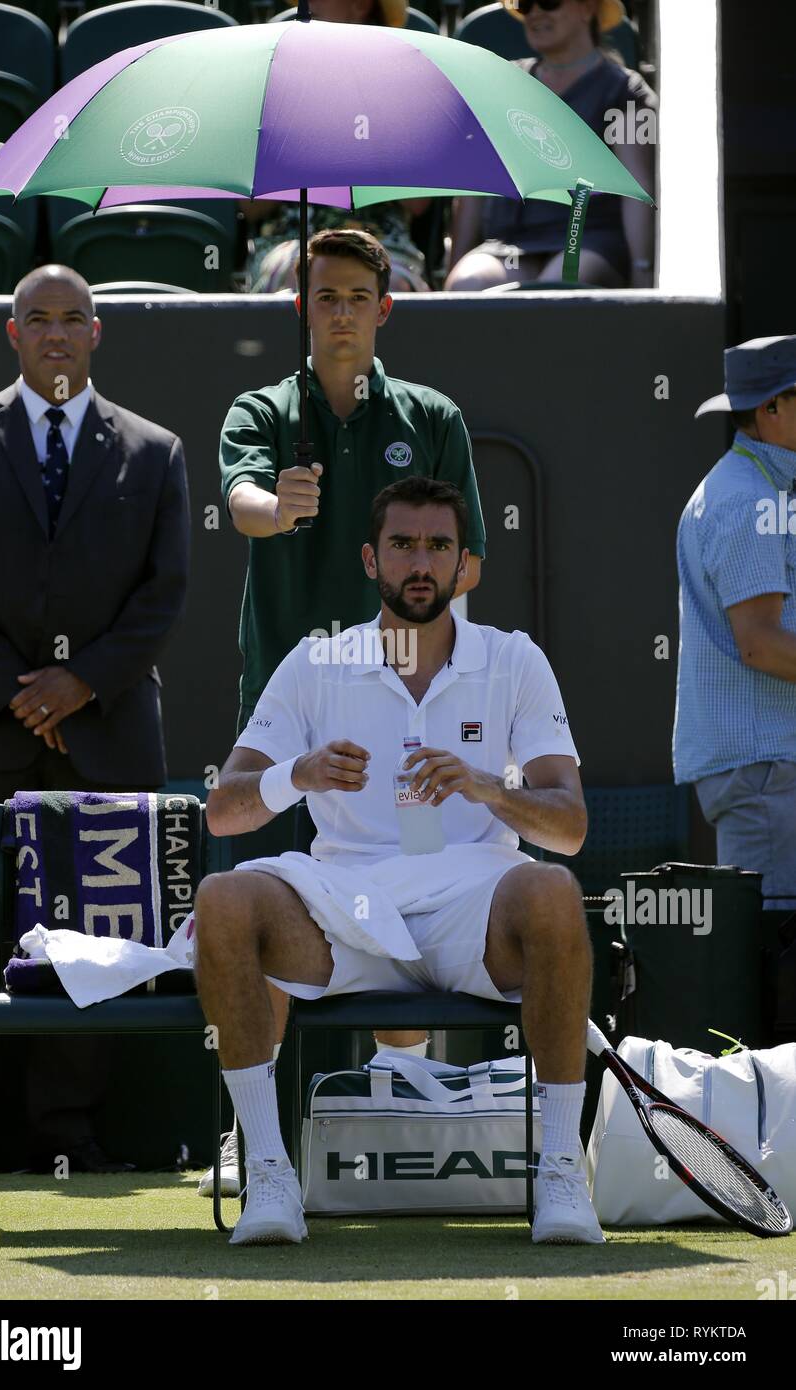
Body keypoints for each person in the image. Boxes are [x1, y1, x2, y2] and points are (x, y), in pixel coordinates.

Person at [193, 474, 602, 1247]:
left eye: (438, 546)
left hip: (473, 910)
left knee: (552, 890)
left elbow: (570, 826)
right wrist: (298, 775)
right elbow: (226, 807)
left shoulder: (514, 661)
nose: (421, 562)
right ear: (369, 561)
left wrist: (488, 788)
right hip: (342, 906)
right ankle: (271, 1173)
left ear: (463, 566)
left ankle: (557, 1172)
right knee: (223, 898)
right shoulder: (317, 662)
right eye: (403, 545)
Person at [204, 228, 487, 1198]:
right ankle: (253, 1134)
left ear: (383, 307)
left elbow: (469, 560)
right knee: (259, 920)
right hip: (284, 725)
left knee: (403, 898)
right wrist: (275, 505)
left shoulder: (432, 417)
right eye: (323, 296)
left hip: (406, 719)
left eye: (355, 296)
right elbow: (239, 501)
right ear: (301, 307)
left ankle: (399, 1102)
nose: (338, 313)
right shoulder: (259, 411)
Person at [0, 265, 190, 1173]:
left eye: (71, 319)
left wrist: (80, 685)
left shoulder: (155, 452)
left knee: (94, 940)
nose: (54, 334)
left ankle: (65, 1133)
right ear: (11, 334)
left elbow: (164, 598)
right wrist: (17, 690)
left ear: (96, 331)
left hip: (106, 737)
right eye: (36, 320)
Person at [674, 335, 796, 911]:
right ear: (772, 408)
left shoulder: (757, 489)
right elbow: (762, 646)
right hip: (767, 775)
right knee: (776, 967)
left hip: (767, 772)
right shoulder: (747, 498)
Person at [446, 0, 656, 291]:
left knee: (557, 286)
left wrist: (642, 271)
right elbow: (475, 189)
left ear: (587, 8)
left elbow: (637, 190)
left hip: (587, 242)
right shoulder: (500, 84)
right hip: (510, 247)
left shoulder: (624, 90)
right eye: (525, 4)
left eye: (549, 1)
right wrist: (450, 271)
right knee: (467, 283)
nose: (535, 13)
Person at [240, 0, 431, 294]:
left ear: (361, 5)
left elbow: (418, 202)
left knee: (389, 286)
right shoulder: (278, 80)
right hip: (288, 242)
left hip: (381, 243)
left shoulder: (404, 84)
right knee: (302, 277)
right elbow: (251, 207)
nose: (309, 3)